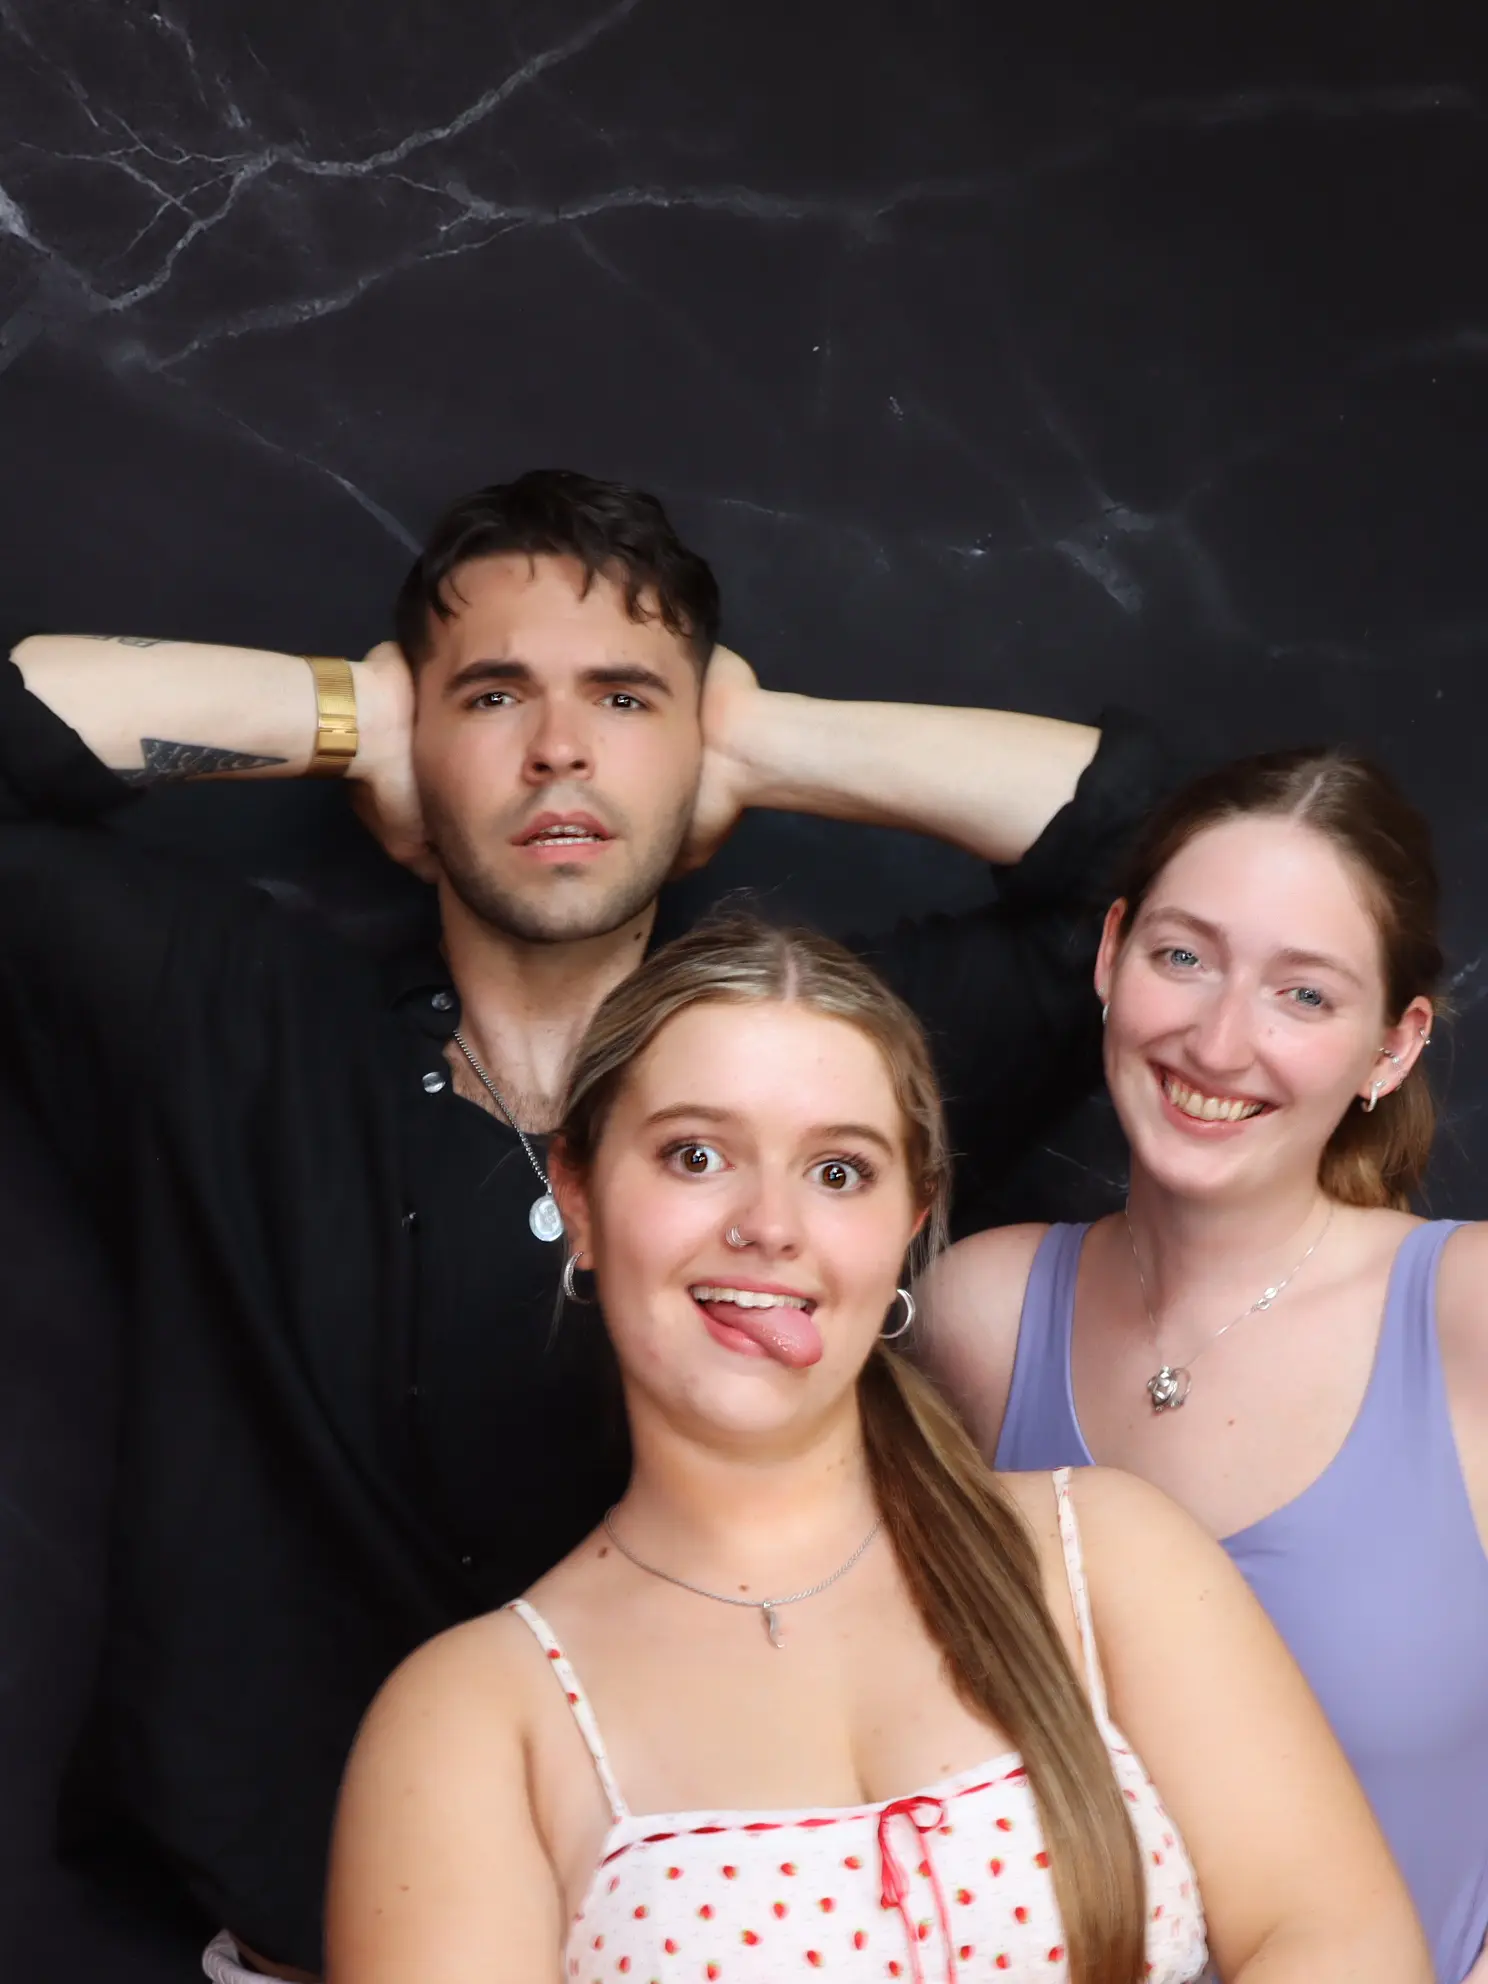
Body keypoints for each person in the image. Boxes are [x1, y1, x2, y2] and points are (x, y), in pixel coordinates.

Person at [0, 469, 1178, 1977]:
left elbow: (1181, 886)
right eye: (493, 696)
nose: (560, 747)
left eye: (625, 700)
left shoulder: (823, 1058)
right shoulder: (232, 1025)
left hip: (755, 1932)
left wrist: (754, 745)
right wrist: (348, 716)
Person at [325, 915, 1427, 1984]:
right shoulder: (474, 1724)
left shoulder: (1112, 1557)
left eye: (839, 1171)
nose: (771, 1224)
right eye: (696, 1154)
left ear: (910, 1220)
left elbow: (1342, 1941)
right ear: (579, 1193)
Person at [921, 748, 1488, 1983]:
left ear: (1393, 1050)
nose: (1221, 1040)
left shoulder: (1467, 1312)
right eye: (1183, 956)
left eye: (1305, 995)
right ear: (1110, 953)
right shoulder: (980, 1314)